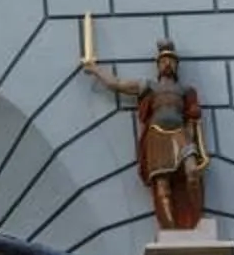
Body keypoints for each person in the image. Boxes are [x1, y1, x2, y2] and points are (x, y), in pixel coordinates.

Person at [81, 39, 208, 230]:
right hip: (157, 136)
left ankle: (198, 220)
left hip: (180, 135)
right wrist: (95, 69)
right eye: (163, 61)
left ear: (176, 66)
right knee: (162, 185)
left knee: (192, 173)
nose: (167, 64)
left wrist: (197, 145)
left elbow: (192, 120)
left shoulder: (185, 90)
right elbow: (117, 84)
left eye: (171, 61)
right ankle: (170, 230)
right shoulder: (148, 87)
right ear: (158, 65)